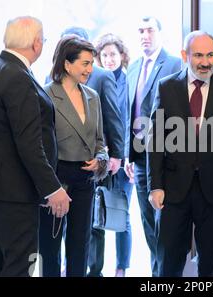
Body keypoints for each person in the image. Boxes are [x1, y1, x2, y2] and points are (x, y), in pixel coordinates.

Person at [147, 31, 213, 277]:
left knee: (211, 263)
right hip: (173, 191)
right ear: (185, 55)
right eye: (198, 55)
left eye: (210, 55)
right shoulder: (167, 87)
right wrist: (155, 185)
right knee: (168, 262)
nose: (205, 62)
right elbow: (155, 140)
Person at [0, 16, 71, 277]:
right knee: (20, 266)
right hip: (14, 189)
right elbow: (29, 142)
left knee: (4, 265)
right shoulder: (17, 75)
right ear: (36, 42)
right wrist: (53, 188)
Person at [40, 35, 108, 277]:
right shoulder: (45, 95)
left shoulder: (92, 96)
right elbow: (38, 145)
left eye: (91, 63)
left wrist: (101, 160)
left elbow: (100, 141)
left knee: (80, 247)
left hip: (85, 181)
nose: (90, 69)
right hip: (56, 180)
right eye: (85, 63)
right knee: (50, 248)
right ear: (67, 64)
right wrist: (50, 186)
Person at [125, 16, 182, 276]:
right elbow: (130, 111)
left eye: (149, 30)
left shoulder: (174, 64)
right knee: (148, 222)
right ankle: (157, 274)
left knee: (165, 224)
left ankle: (165, 275)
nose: (144, 35)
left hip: (166, 158)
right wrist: (128, 153)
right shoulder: (134, 67)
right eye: (140, 31)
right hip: (138, 158)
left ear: (160, 33)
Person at [89, 33, 133, 277]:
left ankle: (122, 267)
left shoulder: (130, 81)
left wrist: (124, 156)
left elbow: (128, 122)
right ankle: (96, 267)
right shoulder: (95, 80)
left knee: (122, 214)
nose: (108, 59)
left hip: (124, 159)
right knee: (98, 212)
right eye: (104, 55)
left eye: (113, 54)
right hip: (103, 159)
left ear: (122, 55)